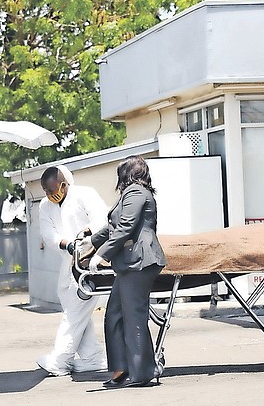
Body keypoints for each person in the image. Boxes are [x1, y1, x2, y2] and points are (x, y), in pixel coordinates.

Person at [85, 155, 167, 388]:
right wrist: (90, 242)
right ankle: (121, 368)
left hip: (139, 261)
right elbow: (113, 227)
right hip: (132, 263)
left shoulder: (135, 192)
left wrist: (101, 254)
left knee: (133, 318)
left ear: (127, 174)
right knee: (115, 314)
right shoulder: (136, 193)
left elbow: (126, 227)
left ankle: (141, 373)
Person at [37, 165, 109, 376]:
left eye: (53, 190)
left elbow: (101, 220)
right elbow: (47, 232)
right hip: (67, 264)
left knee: (75, 312)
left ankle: (60, 360)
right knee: (76, 312)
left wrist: (87, 234)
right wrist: (66, 243)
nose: (51, 195)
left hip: (89, 264)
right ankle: (92, 358)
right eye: (47, 192)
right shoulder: (45, 206)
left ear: (64, 184)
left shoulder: (85, 194)